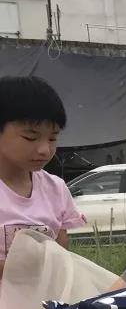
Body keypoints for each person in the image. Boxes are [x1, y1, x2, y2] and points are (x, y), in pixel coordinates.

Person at [0, 75, 84, 282]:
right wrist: (17, 269)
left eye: (53, 138)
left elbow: (61, 255)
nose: (45, 150)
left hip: (43, 298)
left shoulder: (55, 189)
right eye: (30, 137)